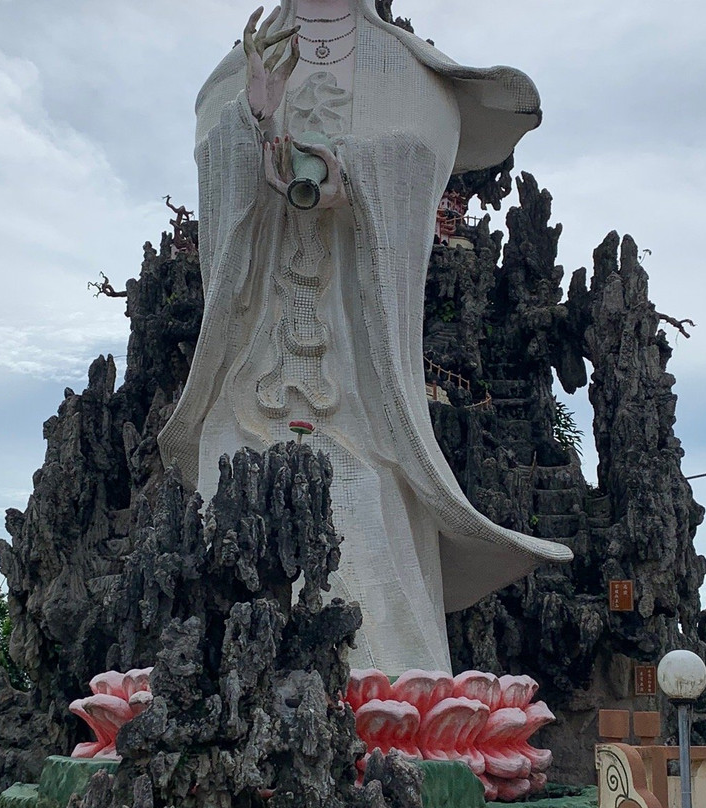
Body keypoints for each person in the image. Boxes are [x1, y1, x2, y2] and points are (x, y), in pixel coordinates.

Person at [158, 0, 572, 674]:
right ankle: (213, 696)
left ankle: (389, 685)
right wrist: (254, 119)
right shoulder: (241, 67)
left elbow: (419, 162)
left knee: (366, 506)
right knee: (226, 498)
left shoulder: (406, 69)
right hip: (257, 359)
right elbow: (219, 167)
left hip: (355, 372)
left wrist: (351, 181)